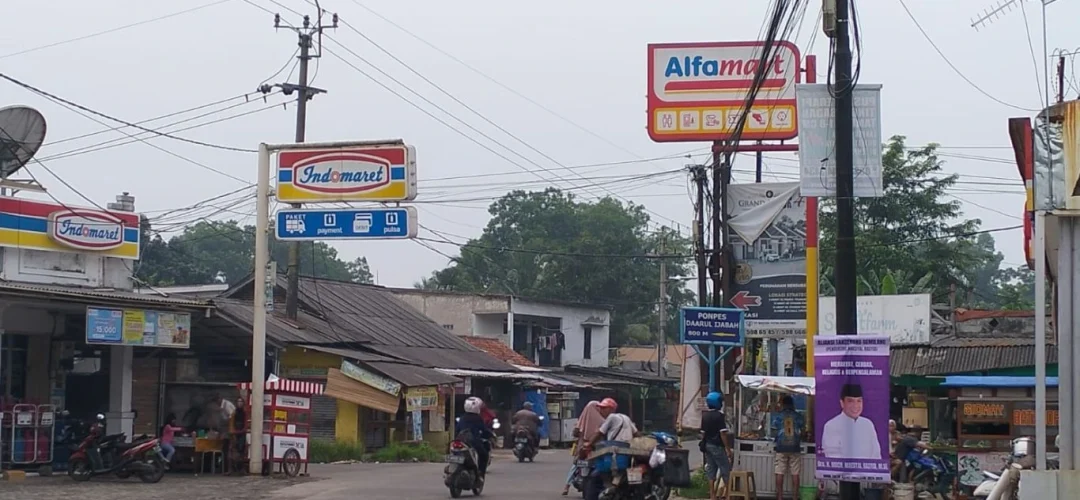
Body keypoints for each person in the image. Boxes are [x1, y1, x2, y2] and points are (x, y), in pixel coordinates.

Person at [821, 383, 882, 459]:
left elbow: (876, 455)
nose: (855, 406)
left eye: (859, 401)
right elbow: (832, 457)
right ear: (842, 403)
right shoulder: (831, 426)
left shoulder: (868, 424)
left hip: (866, 470)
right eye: (850, 401)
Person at [562, 400, 605, 496]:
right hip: (595, 448)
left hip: (582, 448)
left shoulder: (582, 419)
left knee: (575, 465)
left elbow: (575, 432)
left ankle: (566, 486)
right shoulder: (602, 420)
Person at [771, 395, 804, 500]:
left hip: (781, 446)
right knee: (795, 473)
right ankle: (795, 497)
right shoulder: (797, 416)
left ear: (783, 404)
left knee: (780, 471)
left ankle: (780, 497)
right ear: (792, 404)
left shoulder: (778, 416)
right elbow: (802, 427)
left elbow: (773, 428)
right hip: (795, 446)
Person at [700, 391, 731, 500]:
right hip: (717, 446)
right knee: (725, 468)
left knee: (711, 469)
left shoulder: (705, 416)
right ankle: (727, 495)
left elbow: (702, 433)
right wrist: (727, 449)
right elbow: (723, 433)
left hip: (707, 446)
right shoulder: (719, 416)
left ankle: (712, 495)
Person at [456, 396, 494, 478]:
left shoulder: (462, 418)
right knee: (484, 455)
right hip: (473, 442)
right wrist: (491, 435)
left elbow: (457, 429)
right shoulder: (477, 418)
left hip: (460, 441)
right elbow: (484, 430)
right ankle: (480, 475)